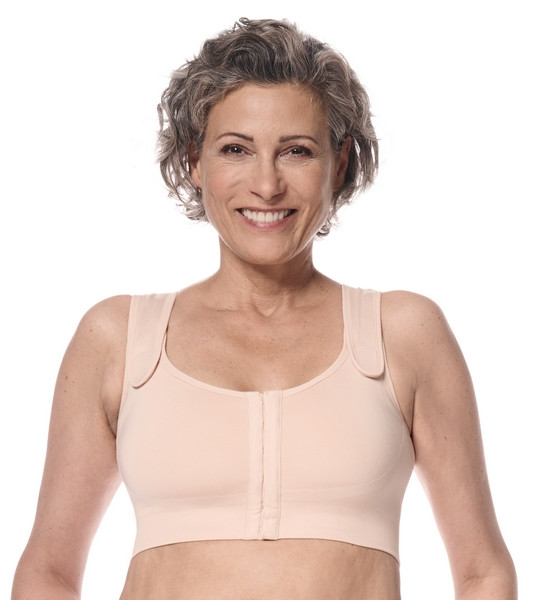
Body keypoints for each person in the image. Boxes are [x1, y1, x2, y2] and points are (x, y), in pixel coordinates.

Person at [12, 17, 516, 600]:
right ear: (194, 161)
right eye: (236, 150)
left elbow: (484, 573)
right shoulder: (119, 340)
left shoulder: (403, 335)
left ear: (340, 164)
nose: (267, 184)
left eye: (296, 151)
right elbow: (47, 572)